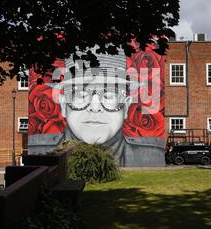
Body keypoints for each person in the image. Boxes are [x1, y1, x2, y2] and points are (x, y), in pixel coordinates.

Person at [29, 48, 165, 166]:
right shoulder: (40, 148)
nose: (95, 107)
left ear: (126, 106)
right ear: (64, 105)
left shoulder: (151, 153)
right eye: (81, 96)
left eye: (109, 96)